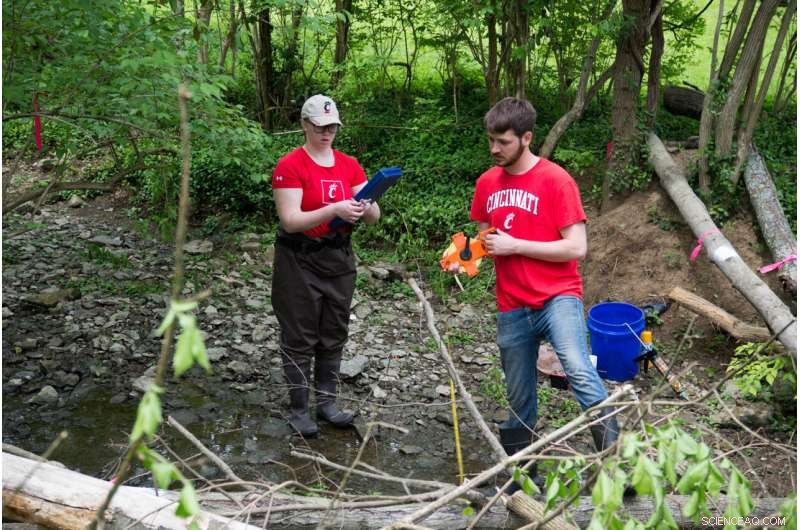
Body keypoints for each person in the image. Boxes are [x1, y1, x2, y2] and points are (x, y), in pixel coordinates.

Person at [459, 97, 619, 484]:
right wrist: (466, 253)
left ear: (526, 138)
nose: (495, 149)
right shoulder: (487, 182)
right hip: (511, 303)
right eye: (491, 141)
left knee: (579, 369)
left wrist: (517, 246)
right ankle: (525, 476)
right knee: (518, 397)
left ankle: (617, 466)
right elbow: (485, 231)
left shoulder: (555, 180)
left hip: (557, 296)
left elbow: (576, 247)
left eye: (503, 142)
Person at [271, 94, 380, 437]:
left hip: (338, 258)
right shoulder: (289, 166)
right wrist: (334, 209)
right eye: (319, 126)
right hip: (298, 259)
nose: (326, 132)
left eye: (331, 126)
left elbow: (374, 218)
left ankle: (327, 403)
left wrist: (367, 205)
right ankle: (300, 409)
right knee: (300, 334)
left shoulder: (349, 164)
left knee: (333, 331)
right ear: (304, 125)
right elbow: (290, 220)